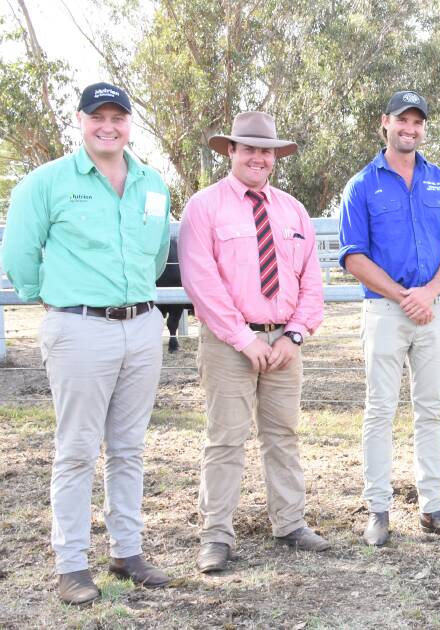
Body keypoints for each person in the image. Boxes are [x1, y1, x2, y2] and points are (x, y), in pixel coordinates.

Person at [0, 82, 171, 605]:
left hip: (141, 327)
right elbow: (20, 255)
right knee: (76, 450)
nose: (109, 125)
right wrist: (49, 299)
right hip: (78, 328)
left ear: (129, 124)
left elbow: (159, 252)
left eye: (118, 116)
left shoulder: (153, 183)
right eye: (98, 116)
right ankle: (71, 564)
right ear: (80, 120)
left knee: (129, 448)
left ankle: (128, 551)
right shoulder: (45, 183)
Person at [178, 111, 328, 573]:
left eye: (267, 151)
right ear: (231, 151)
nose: (259, 158)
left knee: (283, 435)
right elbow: (202, 282)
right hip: (229, 342)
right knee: (225, 438)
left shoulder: (292, 210)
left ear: (275, 157)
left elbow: (312, 282)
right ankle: (216, 535)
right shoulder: (203, 207)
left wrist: (295, 336)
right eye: (249, 149)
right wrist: (244, 340)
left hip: (283, 341)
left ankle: (289, 523)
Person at [339, 89, 440, 545]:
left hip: (435, 309)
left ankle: (432, 506)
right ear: (385, 123)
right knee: (380, 409)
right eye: (402, 120)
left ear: (423, 128)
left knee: (430, 408)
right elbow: (352, 256)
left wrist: (430, 293)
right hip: (384, 310)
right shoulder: (362, 185)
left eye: (417, 122)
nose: (409, 129)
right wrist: (403, 295)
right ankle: (378, 509)